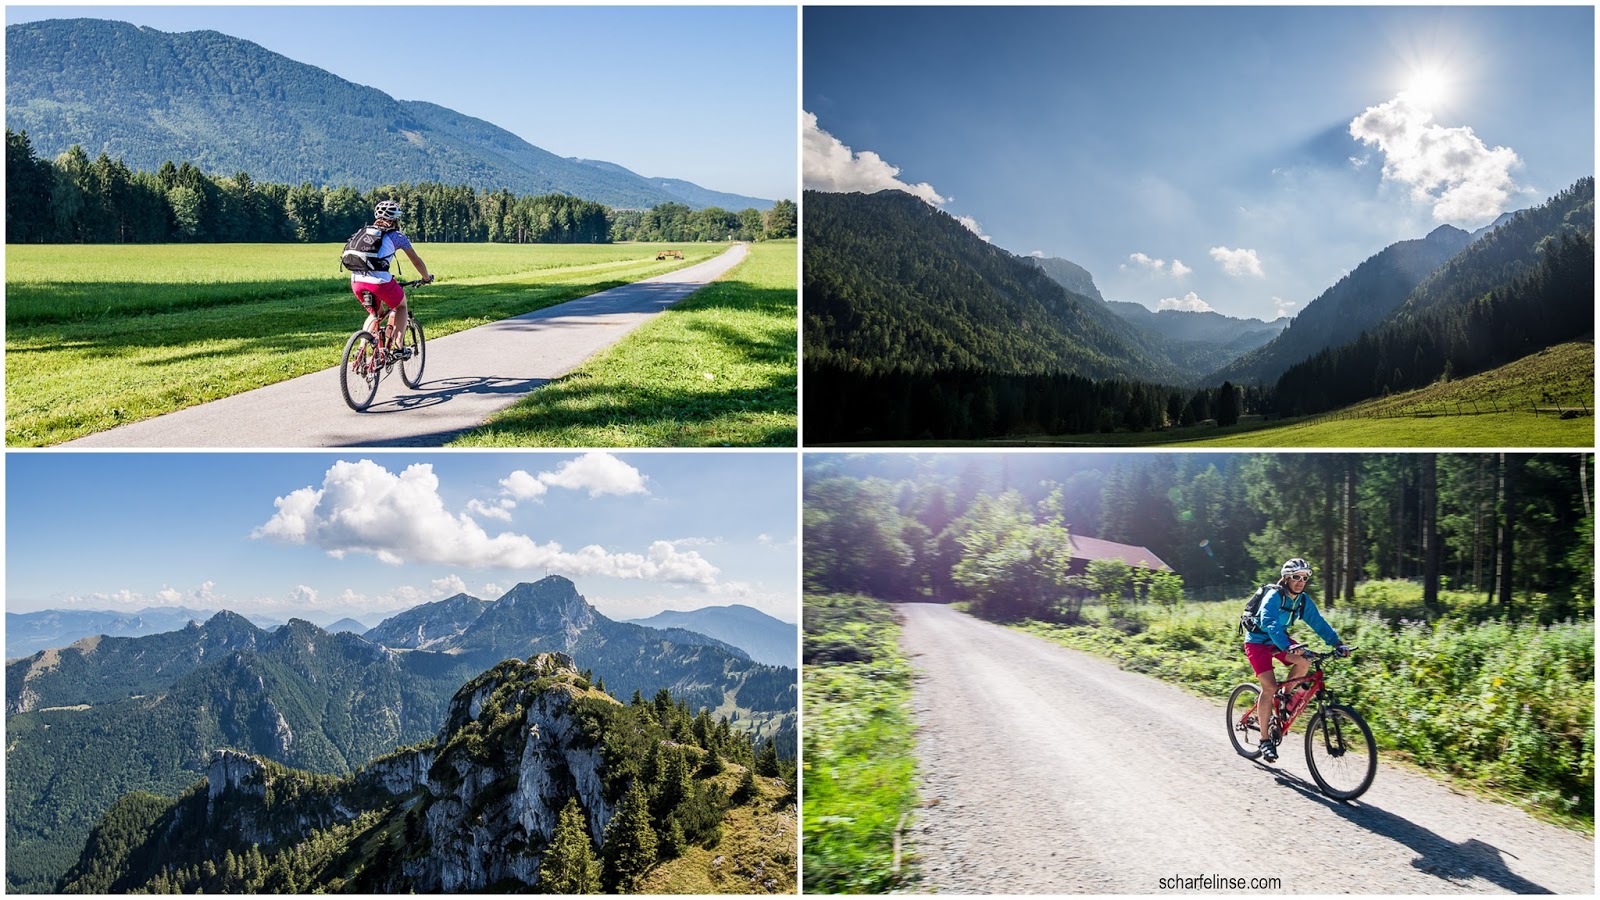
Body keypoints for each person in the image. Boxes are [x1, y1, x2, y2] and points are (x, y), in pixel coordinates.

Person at [1242, 557, 1350, 762]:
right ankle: (1265, 740)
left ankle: (1285, 700)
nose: (1300, 581)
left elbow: (1318, 622)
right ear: (1286, 578)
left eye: (1304, 577)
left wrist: (1336, 644)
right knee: (1269, 687)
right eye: (1296, 577)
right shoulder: (1274, 595)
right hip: (1257, 641)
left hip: (1278, 640)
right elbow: (1270, 623)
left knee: (1305, 662)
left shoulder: (1302, 600)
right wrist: (1288, 646)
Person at [349, 199, 433, 357]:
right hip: (380, 282)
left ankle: (361, 349)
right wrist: (426, 278)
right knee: (401, 306)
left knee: (376, 315)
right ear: (395, 219)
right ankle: (399, 346)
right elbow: (416, 260)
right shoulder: (397, 237)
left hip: (356, 280)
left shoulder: (364, 232)